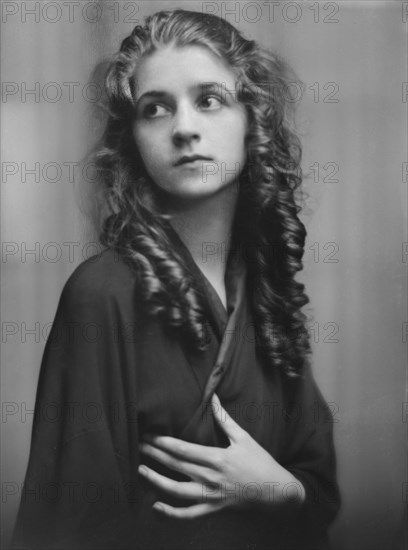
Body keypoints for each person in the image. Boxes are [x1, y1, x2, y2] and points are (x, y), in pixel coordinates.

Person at [12, 9, 340, 550]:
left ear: (250, 118)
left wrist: (282, 492)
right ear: (134, 138)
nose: (184, 127)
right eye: (155, 108)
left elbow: (317, 482)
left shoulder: (262, 291)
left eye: (209, 99)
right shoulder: (103, 294)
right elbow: (65, 525)